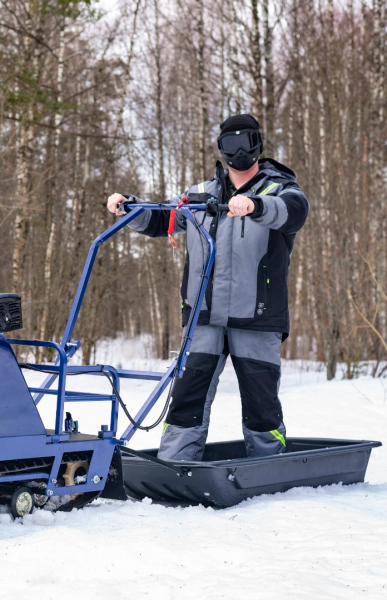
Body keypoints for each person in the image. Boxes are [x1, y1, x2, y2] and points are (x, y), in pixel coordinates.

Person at [106, 114, 309, 460]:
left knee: (261, 403)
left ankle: (268, 467)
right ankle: (174, 466)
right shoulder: (199, 195)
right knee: (188, 397)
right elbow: (162, 218)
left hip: (257, 317)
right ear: (221, 149)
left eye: (246, 142)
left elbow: (293, 212)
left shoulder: (279, 189)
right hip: (203, 316)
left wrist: (255, 205)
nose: (239, 151)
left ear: (258, 145)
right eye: (231, 144)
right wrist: (129, 205)